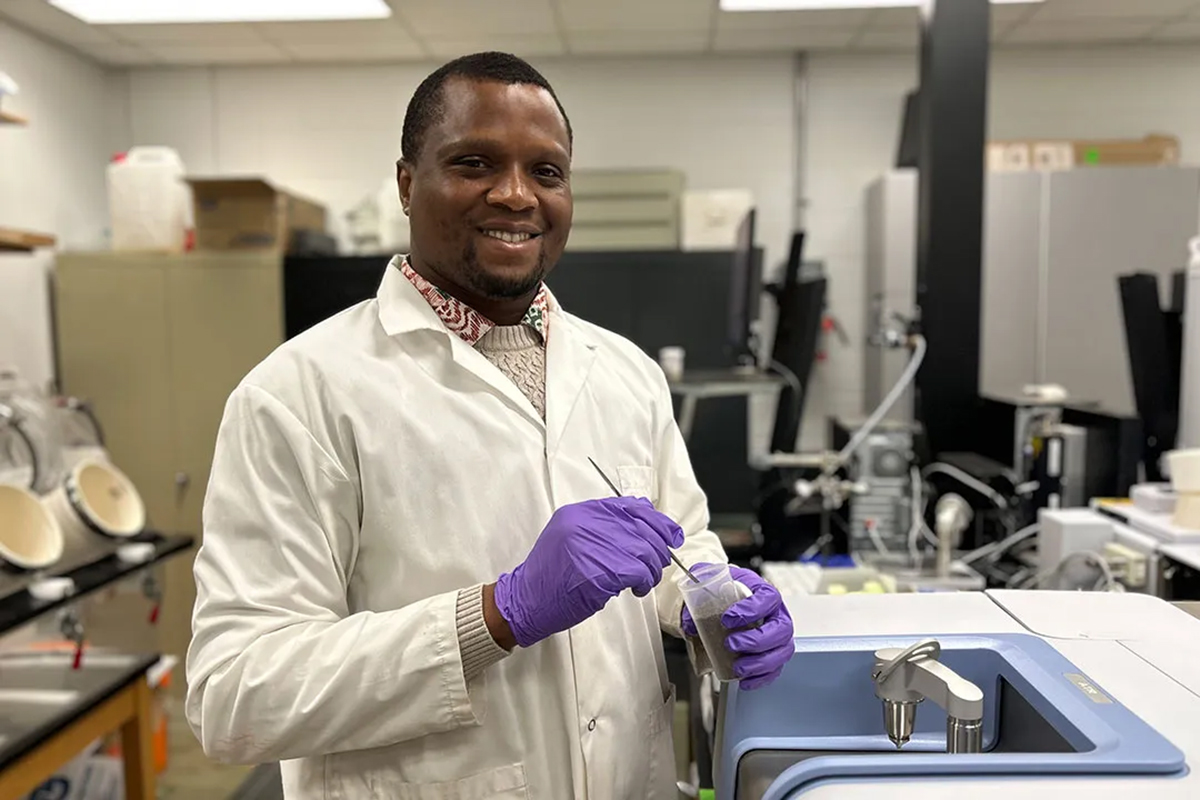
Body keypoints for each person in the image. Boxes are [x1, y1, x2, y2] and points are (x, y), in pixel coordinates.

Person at [186, 51, 794, 800]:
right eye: (475, 163)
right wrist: (496, 614)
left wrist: (712, 610)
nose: (516, 196)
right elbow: (236, 696)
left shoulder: (625, 371)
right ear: (408, 184)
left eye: (547, 172)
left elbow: (682, 546)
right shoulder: (297, 395)